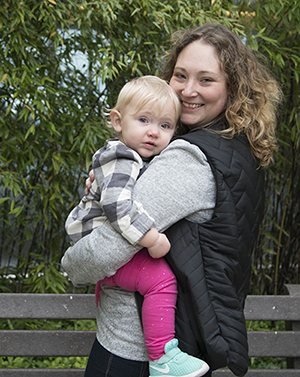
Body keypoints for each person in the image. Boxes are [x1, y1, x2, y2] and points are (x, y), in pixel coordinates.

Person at [61, 22, 282, 377]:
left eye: (206, 80)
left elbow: (106, 249)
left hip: (135, 351)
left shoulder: (190, 158)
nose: (187, 90)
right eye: (180, 75)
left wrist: (71, 265)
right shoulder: (237, 149)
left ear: (233, 88)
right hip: (180, 346)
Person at [65, 75, 210, 377]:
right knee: (161, 281)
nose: (154, 132)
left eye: (165, 126)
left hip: (105, 254)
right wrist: (152, 237)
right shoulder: (122, 156)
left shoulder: (133, 156)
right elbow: (118, 206)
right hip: (97, 243)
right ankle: (162, 357)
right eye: (144, 120)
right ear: (117, 121)